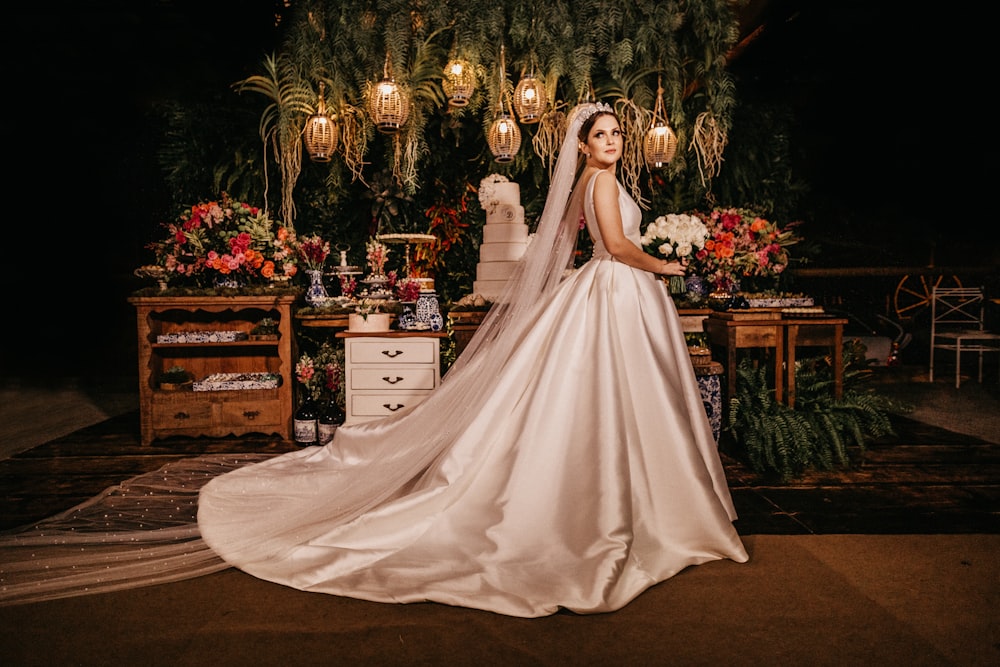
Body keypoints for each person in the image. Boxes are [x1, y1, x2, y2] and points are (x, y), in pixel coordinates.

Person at [0, 103, 747, 616]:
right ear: (584, 147)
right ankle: (621, 509)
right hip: (616, 291)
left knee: (598, 405)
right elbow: (615, 248)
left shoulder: (596, 180)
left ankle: (623, 499)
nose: (614, 141)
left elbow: (598, 248)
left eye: (619, 132)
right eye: (604, 133)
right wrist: (670, 265)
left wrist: (646, 263)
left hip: (609, 296)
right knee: (602, 404)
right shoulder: (603, 182)